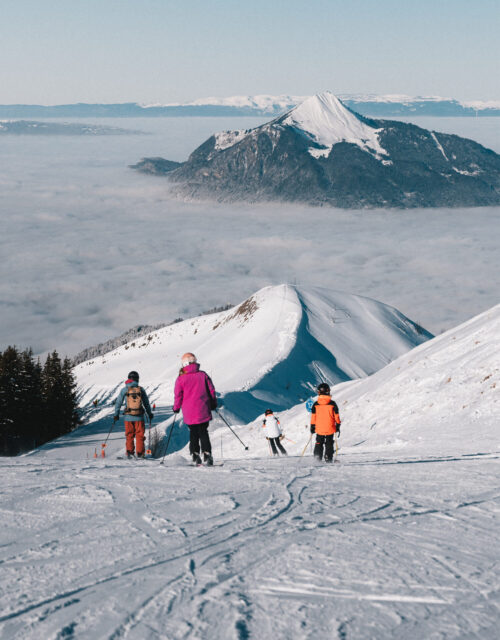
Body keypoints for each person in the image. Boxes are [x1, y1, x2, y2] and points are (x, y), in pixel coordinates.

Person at [173, 353, 217, 465]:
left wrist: (176, 408)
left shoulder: (181, 378)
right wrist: (213, 404)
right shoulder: (203, 375)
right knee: (203, 432)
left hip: (189, 411)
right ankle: (207, 454)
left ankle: (195, 454)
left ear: (184, 363)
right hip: (203, 408)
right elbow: (211, 390)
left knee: (193, 432)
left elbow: (178, 395)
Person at [114, 370, 153, 459]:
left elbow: (118, 402)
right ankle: (140, 454)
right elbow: (146, 402)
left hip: (128, 417)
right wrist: (149, 413)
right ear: (137, 379)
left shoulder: (124, 389)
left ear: (129, 379)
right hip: (139, 417)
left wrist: (116, 414)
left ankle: (130, 453)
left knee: (129, 435)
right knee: (140, 435)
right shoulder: (141, 389)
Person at [310, 382, 341, 463]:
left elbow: (313, 417)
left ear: (319, 392)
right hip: (330, 427)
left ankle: (317, 457)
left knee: (319, 442)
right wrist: (338, 424)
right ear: (328, 391)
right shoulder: (332, 403)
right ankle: (328, 457)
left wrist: (312, 426)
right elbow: (336, 416)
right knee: (329, 443)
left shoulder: (316, 404)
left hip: (319, 428)